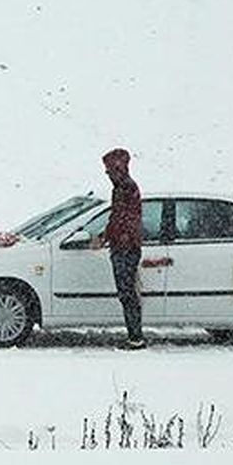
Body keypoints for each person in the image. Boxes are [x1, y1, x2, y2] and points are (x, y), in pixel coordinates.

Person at [96, 148, 145, 350]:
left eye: (109, 170)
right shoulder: (124, 187)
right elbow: (118, 218)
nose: (107, 174)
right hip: (125, 245)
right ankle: (134, 335)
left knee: (127, 293)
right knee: (126, 293)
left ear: (118, 168)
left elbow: (120, 219)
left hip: (125, 248)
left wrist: (109, 237)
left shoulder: (125, 188)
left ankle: (136, 337)